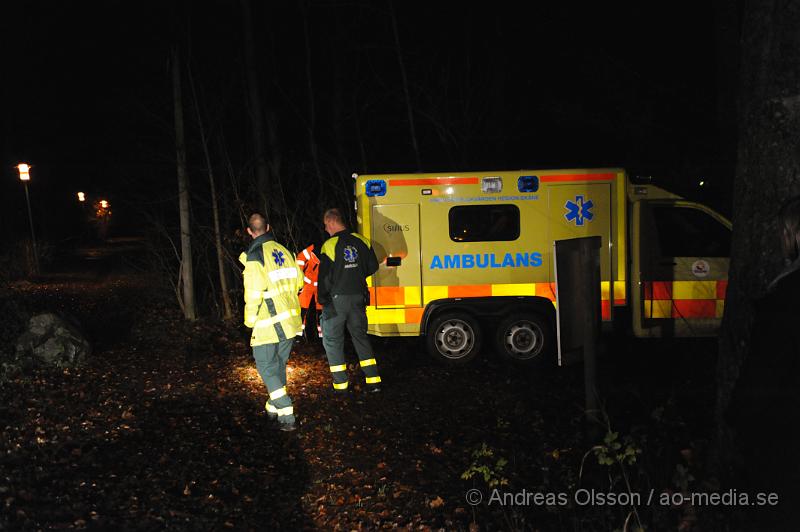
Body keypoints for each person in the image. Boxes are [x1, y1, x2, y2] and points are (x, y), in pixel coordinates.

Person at [728, 195, 800, 526]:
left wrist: (736, 419)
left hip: (784, 450)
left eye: (784, 233)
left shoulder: (785, 300)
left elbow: (760, 382)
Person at [239, 214, 304, 431]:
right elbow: (299, 283)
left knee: (266, 366)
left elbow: (254, 293)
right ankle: (272, 407)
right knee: (277, 366)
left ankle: (286, 413)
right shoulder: (285, 251)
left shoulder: (255, 255)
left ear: (249, 231)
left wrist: (249, 321)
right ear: (268, 227)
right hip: (291, 321)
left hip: (269, 324)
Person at [318, 208, 382, 392]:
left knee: (332, 341)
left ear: (331, 222)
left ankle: (340, 385)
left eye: (325, 225)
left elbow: (324, 279)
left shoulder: (329, 245)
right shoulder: (361, 240)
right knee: (360, 337)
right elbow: (372, 266)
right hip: (358, 297)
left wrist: (323, 299)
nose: (325, 229)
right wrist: (356, 274)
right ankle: (373, 381)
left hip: (337, 301)